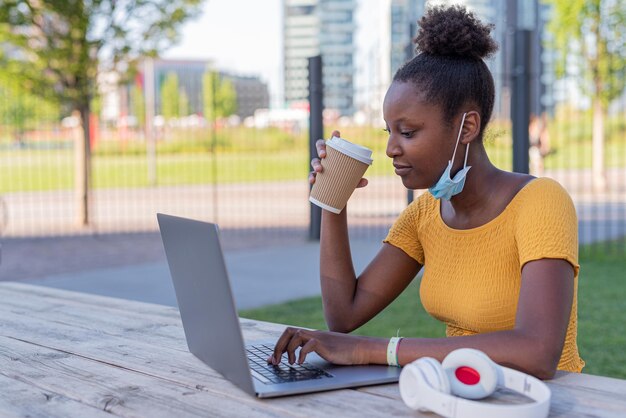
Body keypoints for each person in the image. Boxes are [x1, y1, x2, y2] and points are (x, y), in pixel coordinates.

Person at [269, 5, 583, 379]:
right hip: (463, 395)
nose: (391, 149)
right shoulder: (425, 216)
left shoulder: (540, 202)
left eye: (409, 132)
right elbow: (343, 314)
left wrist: (373, 350)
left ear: (467, 127)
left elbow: (537, 352)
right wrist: (333, 200)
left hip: (546, 403)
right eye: (390, 132)